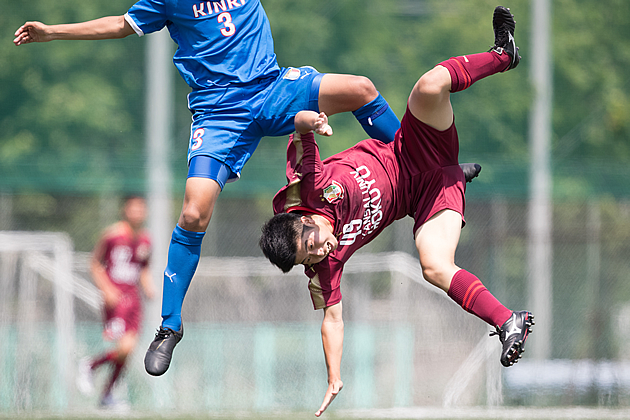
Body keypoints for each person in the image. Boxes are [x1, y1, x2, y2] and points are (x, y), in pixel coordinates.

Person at [14, 0, 403, 376]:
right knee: (193, 212)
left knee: (361, 88)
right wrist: (52, 32)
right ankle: (169, 325)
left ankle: (423, 165)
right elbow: (120, 24)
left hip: (273, 87)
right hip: (219, 112)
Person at [259, 6, 534, 417]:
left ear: (305, 219)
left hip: (413, 148)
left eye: (311, 243)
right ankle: (509, 321)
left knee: (428, 86)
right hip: (426, 199)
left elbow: (299, 127)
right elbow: (332, 321)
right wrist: (334, 375)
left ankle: (502, 55)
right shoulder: (325, 265)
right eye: (309, 257)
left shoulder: (309, 187)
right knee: (434, 266)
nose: (318, 252)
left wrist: (312, 120)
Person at [77, 196, 154, 407]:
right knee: (125, 348)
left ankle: (106, 395)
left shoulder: (146, 239)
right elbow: (94, 263)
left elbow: (143, 268)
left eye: (142, 209)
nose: (138, 212)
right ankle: (90, 365)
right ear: (125, 210)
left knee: (127, 352)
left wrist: (148, 287)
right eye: (134, 208)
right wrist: (107, 289)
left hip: (134, 301)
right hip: (116, 300)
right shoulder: (112, 235)